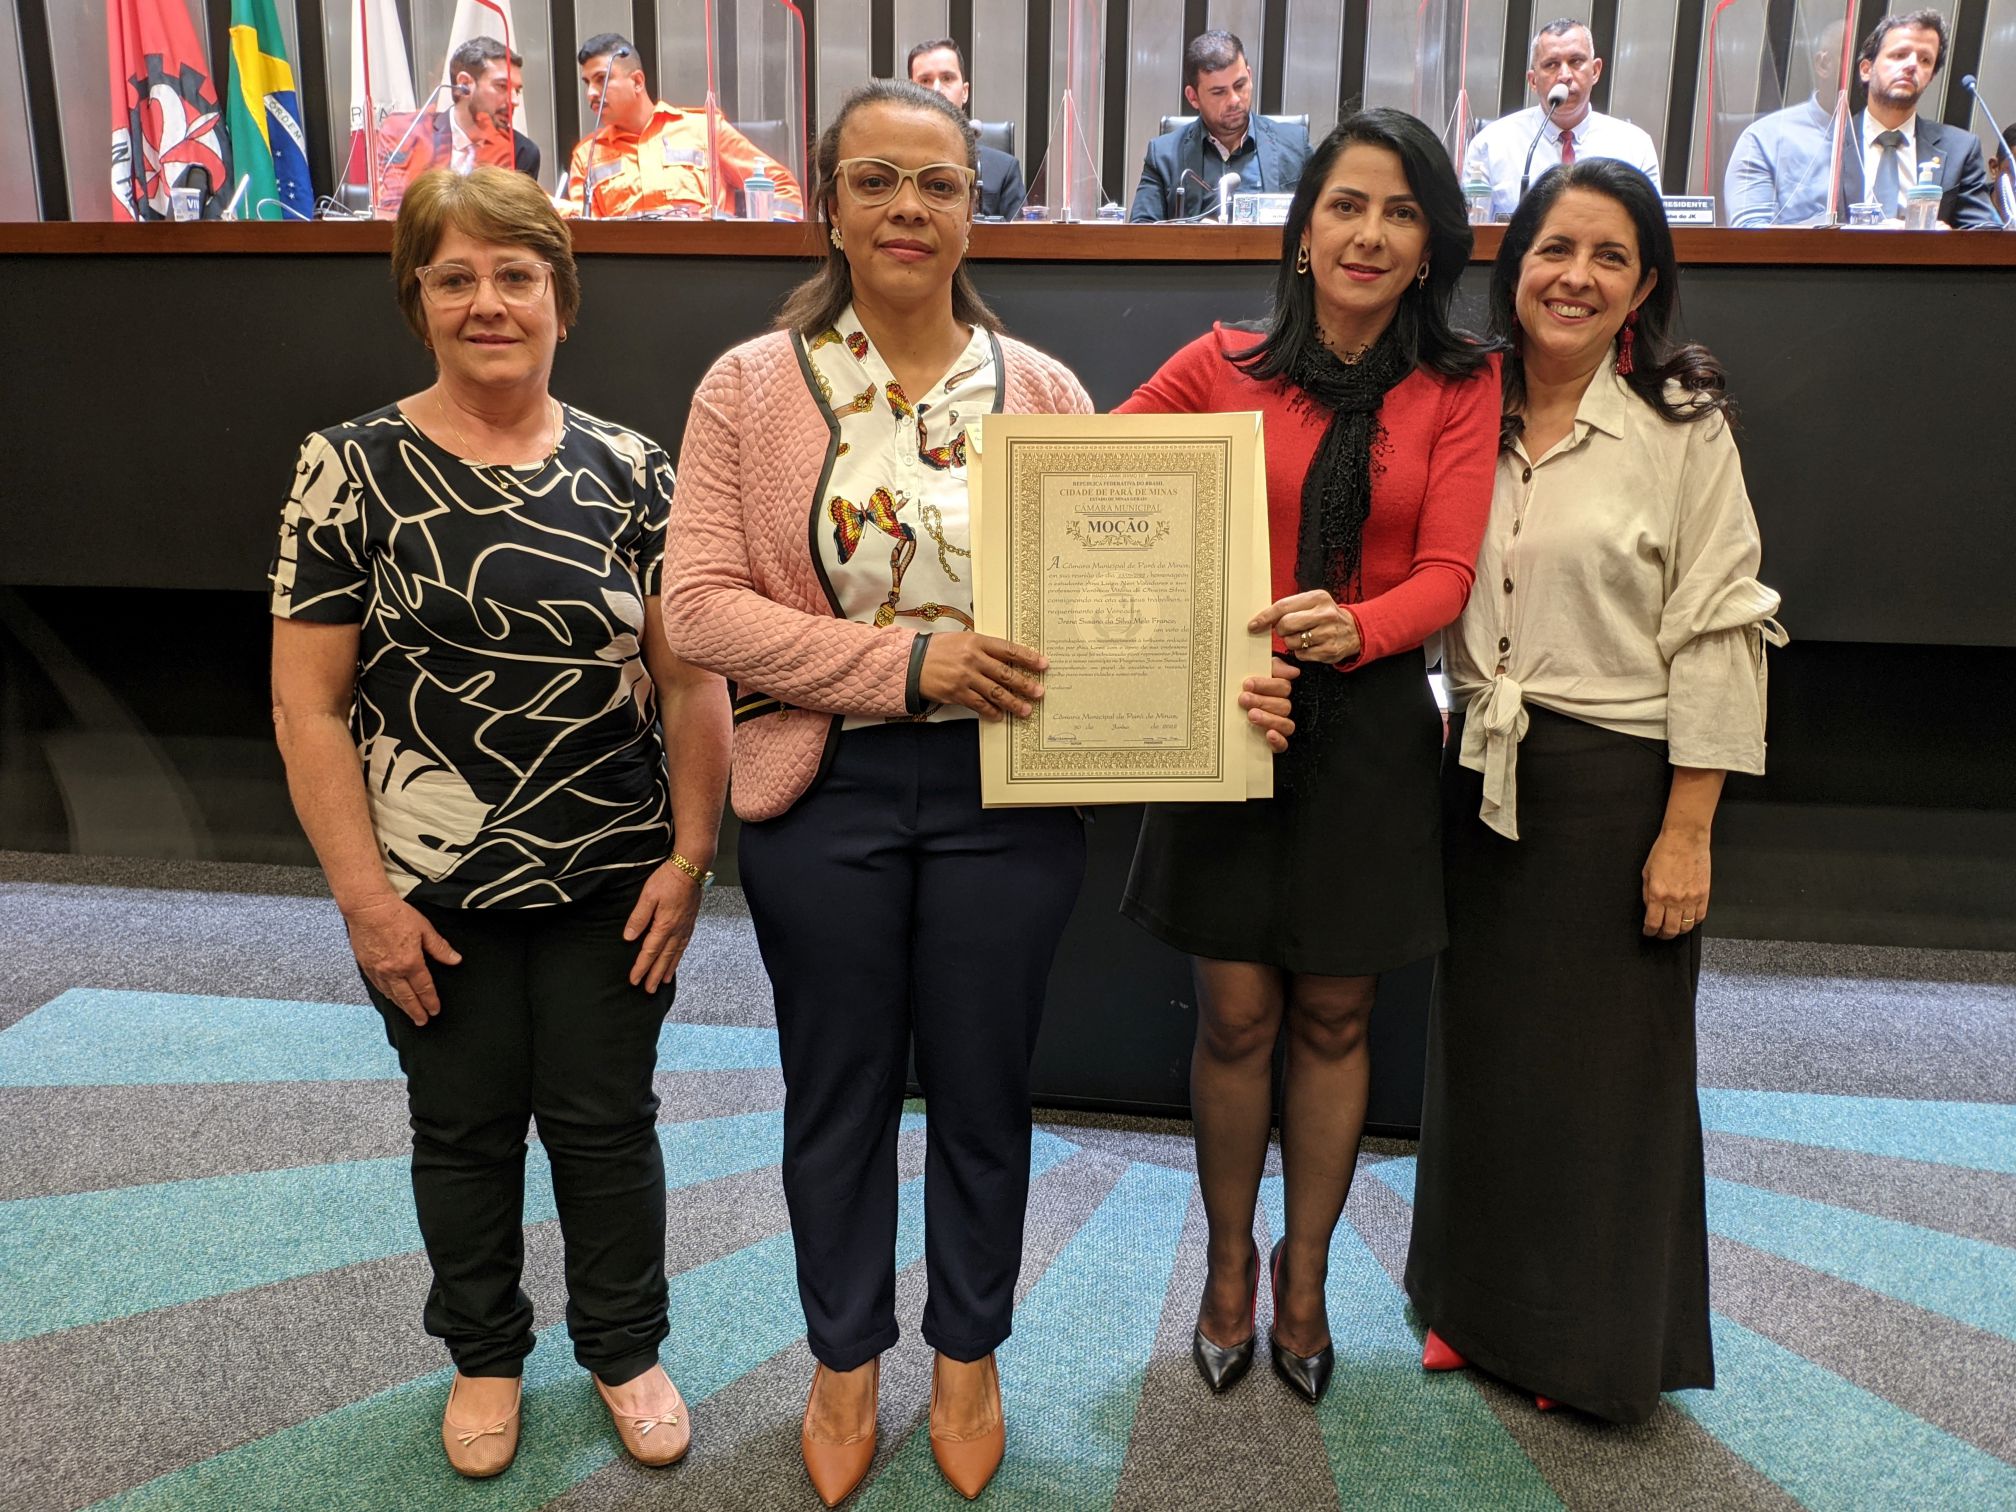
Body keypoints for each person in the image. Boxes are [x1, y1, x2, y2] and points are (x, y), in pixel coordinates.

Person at [661, 81, 1090, 1506]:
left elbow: (1110, 607)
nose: (910, 208)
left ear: (976, 211)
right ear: (828, 207)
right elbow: (700, 610)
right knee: (835, 1093)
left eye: (939, 184)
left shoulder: (1044, 390)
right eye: (877, 181)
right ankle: (843, 1359)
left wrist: (1214, 683)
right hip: (823, 780)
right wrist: (909, 665)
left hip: (1008, 794)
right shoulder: (748, 386)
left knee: (982, 1090)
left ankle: (968, 1356)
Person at [269, 166, 731, 1479]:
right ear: (416, 300)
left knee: (605, 1123)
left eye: (516, 276)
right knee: (463, 1129)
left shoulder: (635, 469)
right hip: (424, 890)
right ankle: (483, 1355)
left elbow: (695, 683)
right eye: (455, 277)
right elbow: (309, 707)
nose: (489, 302)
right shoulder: (347, 468)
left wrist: (694, 858)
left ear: (560, 301)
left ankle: (625, 1349)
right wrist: (365, 902)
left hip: (614, 877)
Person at [1117, 108, 1498, 1405]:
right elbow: (1093, 495)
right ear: (1301, 230)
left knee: (1336, 1016)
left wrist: (1360, 627)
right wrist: (1198, 644)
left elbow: (1447, 570)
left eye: (1401, 212)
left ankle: (1306, 1273)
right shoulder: (1217, 363)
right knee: (1234, 1018)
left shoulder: (1458, 382)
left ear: (1430, 245)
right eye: (1346, 204)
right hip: (1231, 716)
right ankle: (1227, 1266)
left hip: (1373, 728)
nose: (1370, 233)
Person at [1406, 157, 1786, 1425]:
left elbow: (1720, 632)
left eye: (1610, 256)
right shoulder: (1461, 402)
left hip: (1618, 790)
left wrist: (1689, 831)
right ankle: (1470, 1306)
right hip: (1478, 775)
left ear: (1645, 286)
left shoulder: (1682, 429)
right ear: (1513, 267)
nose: (1576, 276)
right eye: (1555, 249)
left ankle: (1584, 1345)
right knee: (1485, 1056)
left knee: (1608, 1079)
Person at [561, 32, 805, 219]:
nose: (591, 93)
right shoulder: (588, 155)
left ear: (637, 82)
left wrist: (764, 248)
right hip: (627, 267)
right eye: (587, 83)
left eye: (602, 80)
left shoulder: (704, 129)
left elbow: (781, 185)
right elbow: (588, 233)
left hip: (710, 261)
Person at [1462, 18, 1661, 220]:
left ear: (1595, 71)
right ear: (1533, 80)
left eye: (1576, 61)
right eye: (1551, 64)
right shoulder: (1490, 145)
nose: (1565, 75)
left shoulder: (1635, 147)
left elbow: (1654, 231)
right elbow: (1474, 230)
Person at [1128, 31, 1311, 221]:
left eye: (1239, 85)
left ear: (1249, 76)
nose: (1234, 100)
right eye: (1219, 92)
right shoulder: (1163, 156)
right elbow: (1142, 229)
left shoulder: (1295, 145)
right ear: (1193, 97)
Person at [1837, 10, 1997, 227]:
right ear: (1866, 69)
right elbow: (1799, 222)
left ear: (1930, 77)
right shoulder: (1829, 142)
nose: (1912, 65)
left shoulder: (1960, 149)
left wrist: (1946, 238)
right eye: (1899, 55)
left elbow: (1984, 232)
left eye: (1925, 60)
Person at [375, 37, 539, 217]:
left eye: (517, 91)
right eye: (502, 86)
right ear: (464, 84)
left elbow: (513, 223)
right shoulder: (406, 134)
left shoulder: (521, 151)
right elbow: (391, 213)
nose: (515, 100)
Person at [1723, 20, 1847, 227]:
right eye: (1859, 59)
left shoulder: (1892, 140)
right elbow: (1749, 235)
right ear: (1824, 64)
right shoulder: (1764, 139)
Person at [907, 37, 1025, 220]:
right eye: (925, 80)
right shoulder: (890, 164)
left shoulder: (1004, 170)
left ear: (964, 92)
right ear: (910, 91)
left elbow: (1022, 236)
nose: (936, 89)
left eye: (947, 78)